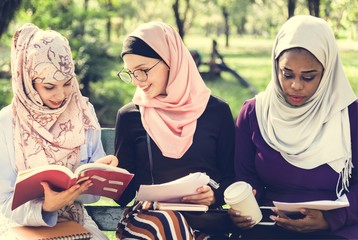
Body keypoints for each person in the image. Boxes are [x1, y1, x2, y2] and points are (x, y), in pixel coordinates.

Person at [229, 15, 358, 239]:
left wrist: (330, 219)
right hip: (270, 226)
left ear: (327, 73)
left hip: (337, 229)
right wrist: (244, 206)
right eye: (286, 74)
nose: (295, 86)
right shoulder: (254, 113)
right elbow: (246, 179)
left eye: (308, 77)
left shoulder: (350, 115)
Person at [114, 21, 235, 239]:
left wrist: (214, 195)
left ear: (171, 61)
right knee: (168, 222)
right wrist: (110, 177)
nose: (136, 81)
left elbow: (231, 177)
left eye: (142, 71)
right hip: (149, 224)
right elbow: (124, 197)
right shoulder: (130, 117)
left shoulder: (216, 112)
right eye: (130, 73)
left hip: (204, 223)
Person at [0, 23, 117, 239]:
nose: (61, 95)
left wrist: (96, 178)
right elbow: (4, 201)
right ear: (28, 83)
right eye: (49, 87)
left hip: (74, 219)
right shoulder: (7, 122)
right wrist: (45, 206)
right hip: (20, 224)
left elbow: (93, 198)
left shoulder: (83, 110)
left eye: (67, 83)